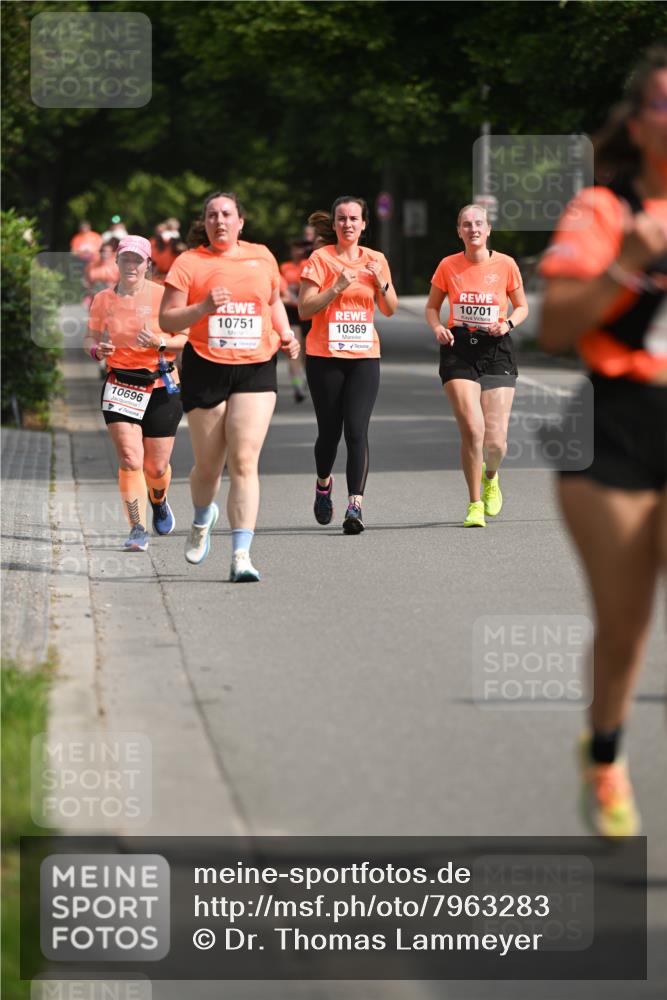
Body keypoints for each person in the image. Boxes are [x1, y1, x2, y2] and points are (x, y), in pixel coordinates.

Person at [540, 45, 667, 837]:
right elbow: (552, 326)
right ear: (638, 121)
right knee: (624, 630)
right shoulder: (603, 208)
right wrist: (626, 261)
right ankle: (604, 753)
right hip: (615, 428)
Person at [159, 191, 300, 582]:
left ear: (241, 221)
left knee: (243, 460)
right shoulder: (189, 263)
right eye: (211, 215)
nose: (219, 221)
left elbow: (272, 302)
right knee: (209, 465)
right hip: (206, 367)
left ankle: (241, 555)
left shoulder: (262, 257)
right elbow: (168, 320)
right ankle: (203, 518)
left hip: (256, 367)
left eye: (226, 214)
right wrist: (203, 308)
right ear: (204, 223)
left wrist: (286, 333)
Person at [298, 196, 397, 533]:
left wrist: (381, 280)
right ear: (335, 224)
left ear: (364, 223)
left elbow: (390, 308)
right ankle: (323, 483)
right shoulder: (319, 259)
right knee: (330, 432)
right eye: (342, 218)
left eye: (354, 218)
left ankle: (355, 506)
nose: (348, 224)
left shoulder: (376, 260)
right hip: (325, 357)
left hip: (364, 357)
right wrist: (335, 287)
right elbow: (304, 310)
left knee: (357, 431)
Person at [425, 205, 529, 527]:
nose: (473, 229)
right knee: (472, 430)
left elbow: (522, 306)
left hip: (496, 346)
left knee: (495, 440)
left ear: (488, 229)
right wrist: (437, 327)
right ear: (459, 231)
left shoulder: (506, 265)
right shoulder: (448, 265)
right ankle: (473, 505)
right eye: (467, 225)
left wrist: (508, 323)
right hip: (458, 348)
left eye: (479, 224)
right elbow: (432, 307)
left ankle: (491, 477)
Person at [83, 235, 187, 552]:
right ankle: (137, 528)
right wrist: (97, 349)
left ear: (148, 264)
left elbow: (185, 338)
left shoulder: (164, 295)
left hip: (159, 385)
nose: (131, 265)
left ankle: (159, 498)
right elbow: (90, 338)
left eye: (137, 259)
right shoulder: (103, 299)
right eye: (126, 259)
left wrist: (158, 341)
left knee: (155, 468)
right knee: (130, 459)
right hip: (120, 385)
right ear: (116, 262)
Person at [279, 239, 309, 402]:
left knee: (304, 351)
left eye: (300, 248)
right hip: (292, 313)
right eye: (294, 248)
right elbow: (280, 293)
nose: (297, 252)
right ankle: (297, 383)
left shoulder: (308, 264)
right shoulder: (285, 268)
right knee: (295, 349)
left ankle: (302, 376)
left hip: (307, 313)